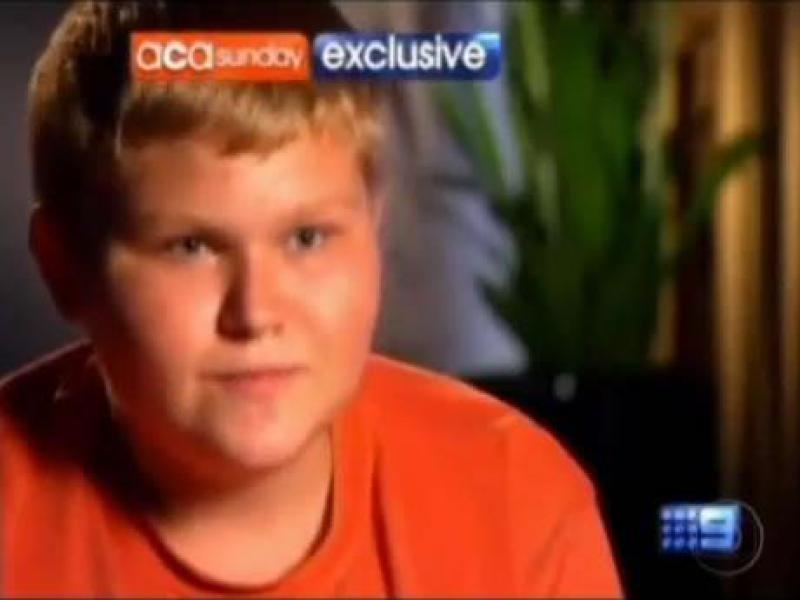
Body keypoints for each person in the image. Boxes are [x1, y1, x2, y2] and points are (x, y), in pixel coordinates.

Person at [0, 1, 623, 596]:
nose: (256, 313)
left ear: (374, 230)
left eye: (306, 238)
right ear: (64, 267)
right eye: (190, 246)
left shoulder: (515, 503)